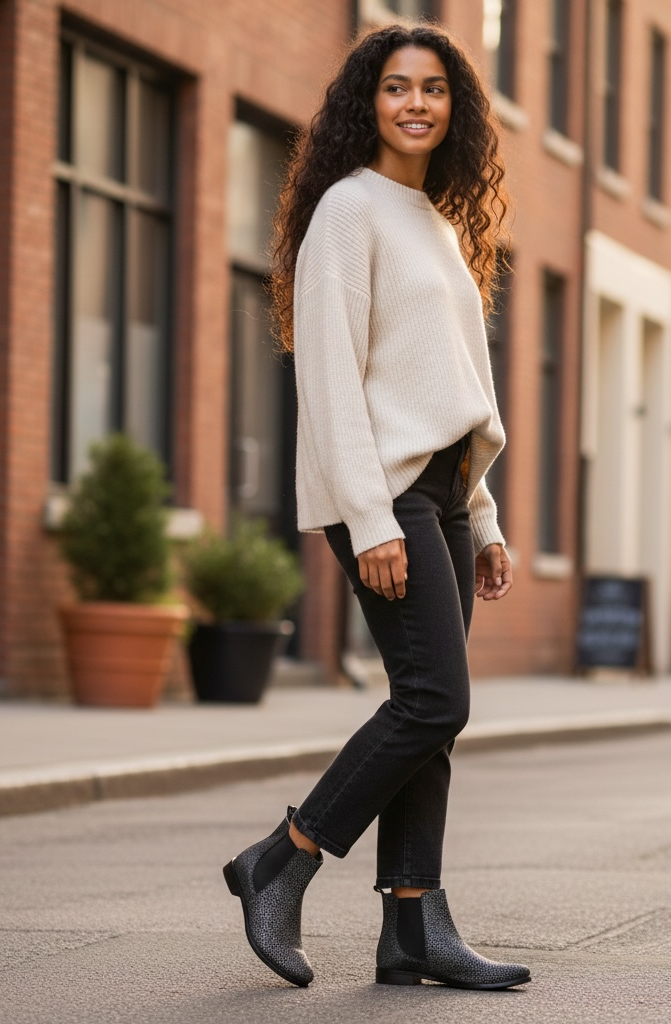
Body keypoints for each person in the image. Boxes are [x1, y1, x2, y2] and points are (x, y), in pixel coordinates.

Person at [223, 23, 529, 991]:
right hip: (386, 492)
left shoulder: (440, 223)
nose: (415, 104)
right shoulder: (348, 212)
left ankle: (413, 928)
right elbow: (330, 380)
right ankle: (284, 855)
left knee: (428, 713)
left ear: (456, 108)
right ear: (368, 101)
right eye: (396, 87)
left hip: (440, 491)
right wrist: (370, 520)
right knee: (436, 697)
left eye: (434, 89)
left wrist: (480, 518)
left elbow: (453, 388)